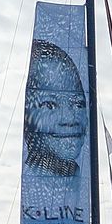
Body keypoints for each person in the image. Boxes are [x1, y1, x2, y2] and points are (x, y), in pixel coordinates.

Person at [23, 40, 87, 176]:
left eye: (78, 104)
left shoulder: (78, 180)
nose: (70, 119)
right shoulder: (35, 184)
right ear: (28, 117)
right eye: (50, 105)